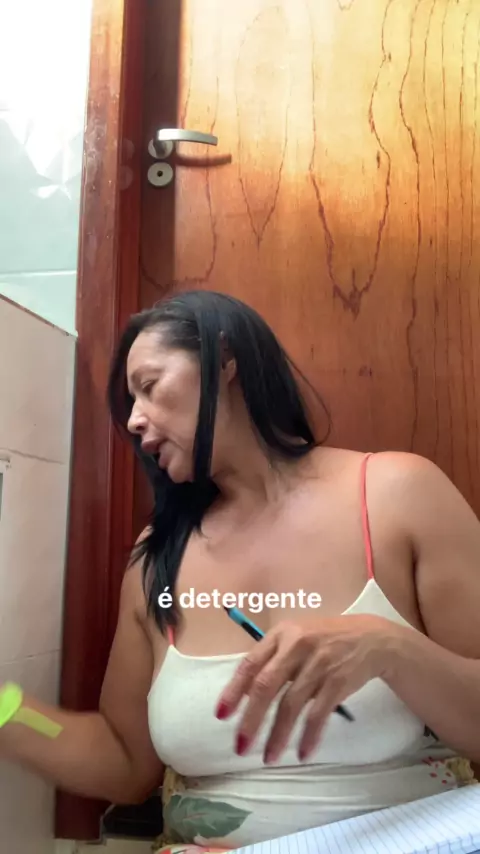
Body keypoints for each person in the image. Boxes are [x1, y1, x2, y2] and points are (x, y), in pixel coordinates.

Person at [0, 290, 479, 853]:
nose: (133, 420)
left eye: (149, 386)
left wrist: (391, 648)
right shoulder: (157, 560)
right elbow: (125, 762)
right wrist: (6, 711)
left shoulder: (399, 495)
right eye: (130, 401)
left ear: (225, 360)